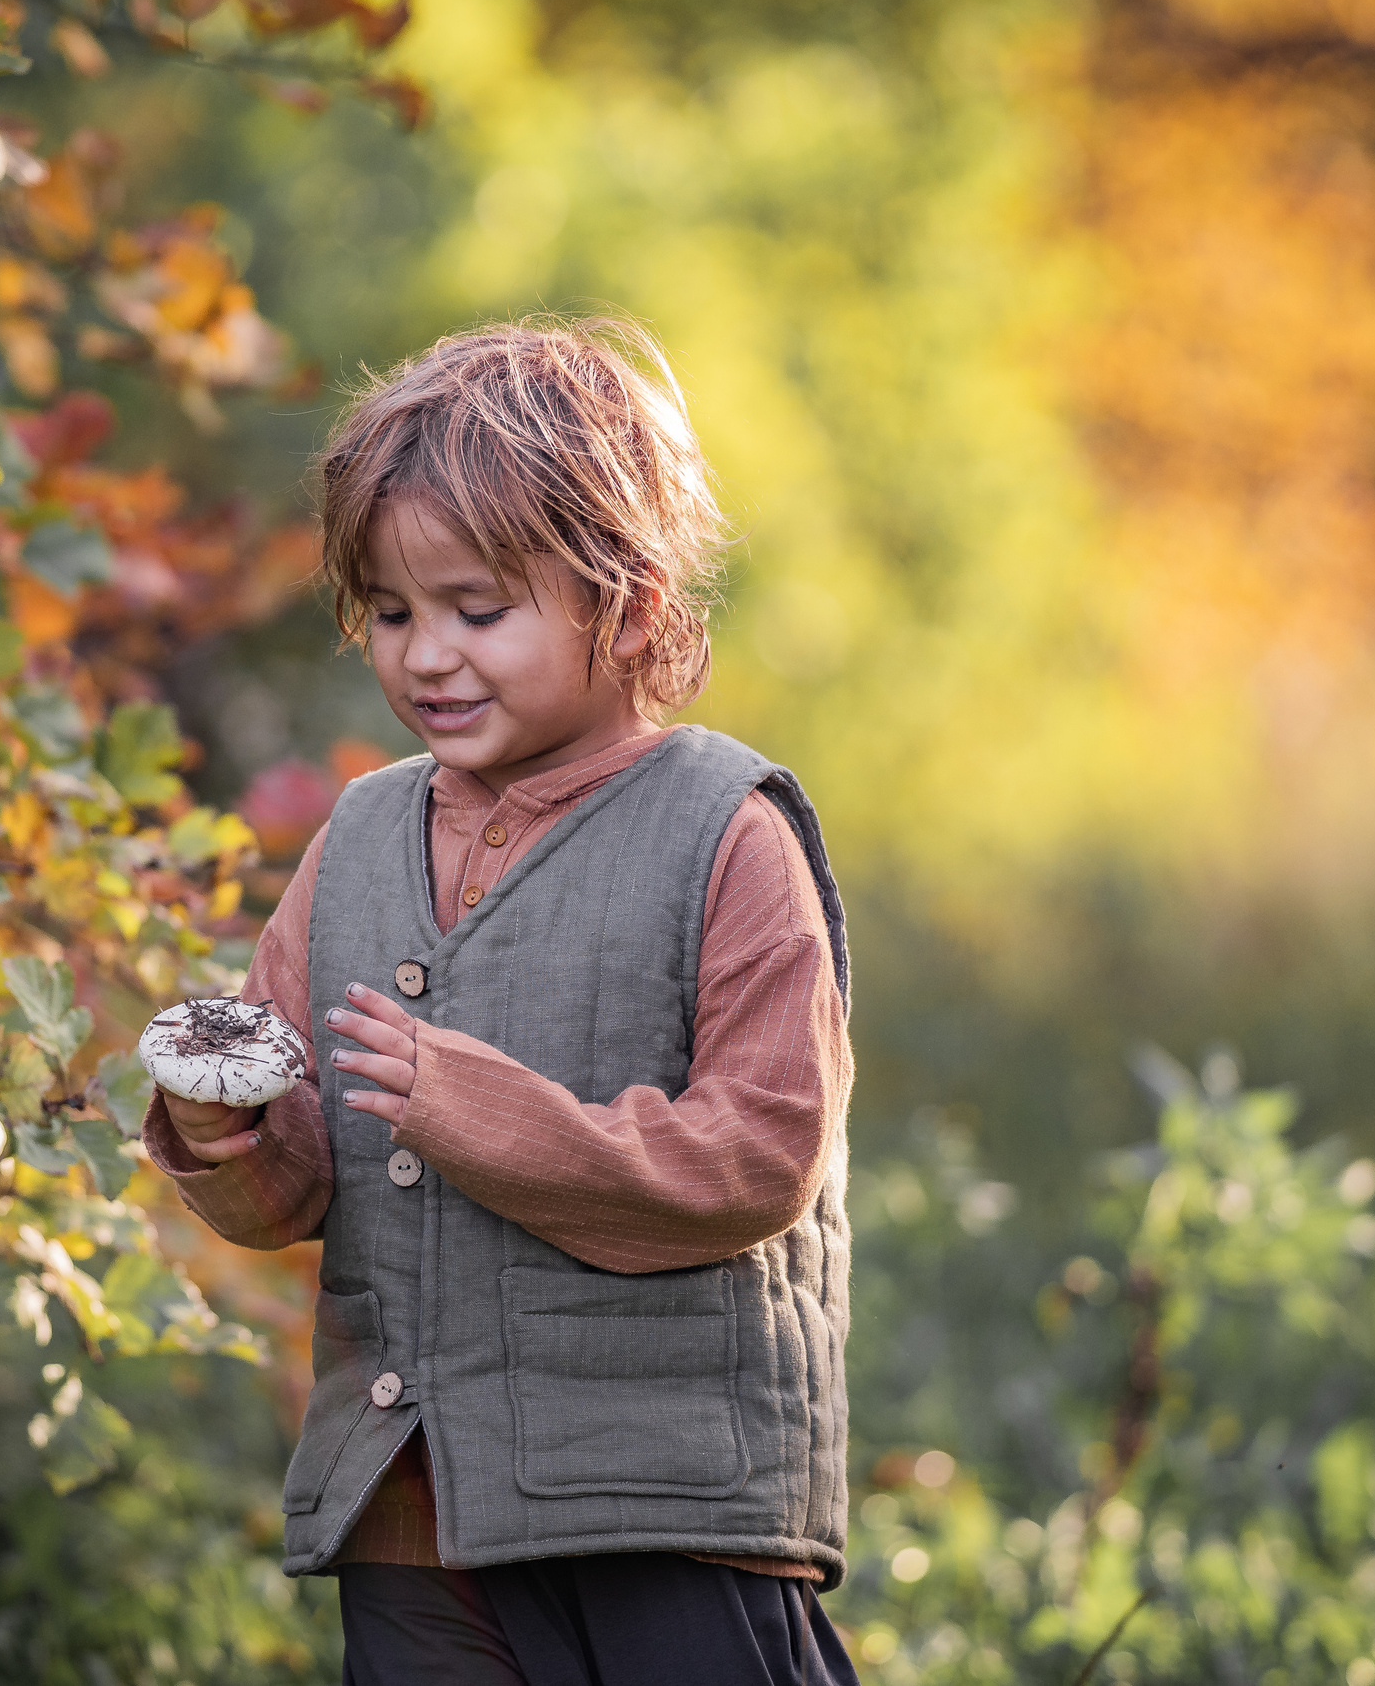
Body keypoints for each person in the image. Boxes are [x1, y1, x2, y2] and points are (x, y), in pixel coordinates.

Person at [143, 316, 857, 1686]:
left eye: (479, 611)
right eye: (393, 614)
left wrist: (488, 1116)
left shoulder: (725, 829)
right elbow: (292, 1189)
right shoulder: (358, 838)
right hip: (405, 1512)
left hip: (663, 1512)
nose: (426, 656)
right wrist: (224, 1132)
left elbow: (764, 1154)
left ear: (629, 607)